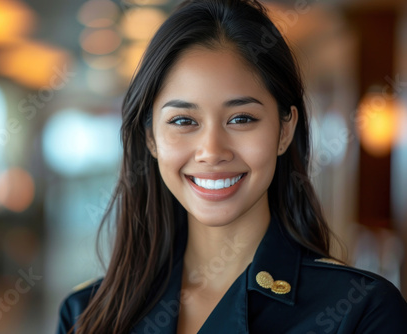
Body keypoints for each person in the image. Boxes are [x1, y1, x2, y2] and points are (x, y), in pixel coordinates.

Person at [56, 0, 407, 333]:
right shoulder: (87, 313)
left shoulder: (359, 312)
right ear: (150, 138)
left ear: (285, 130)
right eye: (182, 121)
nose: (211, 151)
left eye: (241, 118)